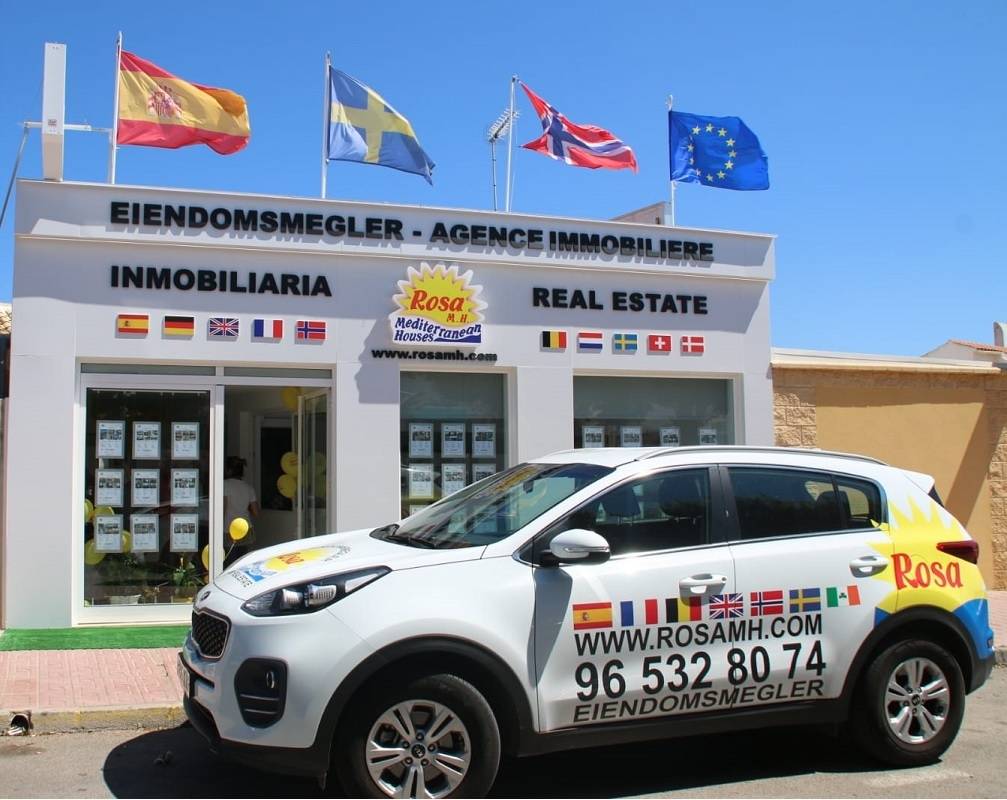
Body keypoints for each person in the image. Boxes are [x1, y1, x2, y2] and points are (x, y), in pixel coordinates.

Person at [223, 456, 260, 565]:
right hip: (246, 530)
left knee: (229, 564)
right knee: (243, 565)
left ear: (228, 470)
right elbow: (256, 513)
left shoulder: (224, 485)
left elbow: (222, 510)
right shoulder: (248, 487)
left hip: (228, 530)